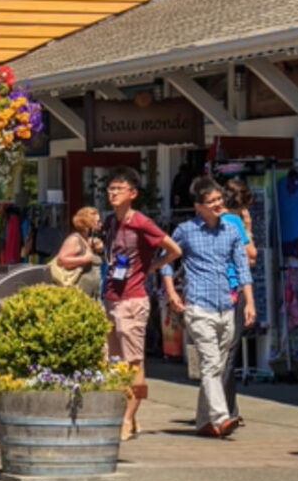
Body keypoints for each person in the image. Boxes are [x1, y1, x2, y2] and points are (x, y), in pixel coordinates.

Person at [163, 176, 255, 438]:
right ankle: (221, 416)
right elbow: (167, 261)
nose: (217, 204)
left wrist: (250, 302)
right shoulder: (185, 231)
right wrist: (171, 292)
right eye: (211, 201)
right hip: (199, 307)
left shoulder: (231, 230)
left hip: (227, 305)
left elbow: (242, 268)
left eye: (219, 199)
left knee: (219, 364)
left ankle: (204, 421)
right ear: (198, 206)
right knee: (211, 363)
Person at [102, 167, 182, 441]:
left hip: (133, 300)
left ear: (132, 194)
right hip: (110, 298)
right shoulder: (110, 222)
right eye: (110, 189)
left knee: (133, 362)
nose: (112, 193)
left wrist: (152, 267)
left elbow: (174, 249)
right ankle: (126, 415)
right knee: (112, 362)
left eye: (118, 189)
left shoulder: (141, 223)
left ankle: (127, 419)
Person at [221, 178, 258, 421]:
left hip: (211, 291)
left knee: (217, 351)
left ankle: (226, 407)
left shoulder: (205, 221)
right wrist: (248, 228)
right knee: (229, 351)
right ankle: (224, 408)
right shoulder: (233, 221)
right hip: (234, 289)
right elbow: (252, 256)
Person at [53, 206, 104, 300]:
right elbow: (61, 260)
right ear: (89, 223)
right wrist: (84, 259)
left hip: (93, 295)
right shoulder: (75, 239)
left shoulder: (90, 241)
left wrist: (101, 251)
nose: (101, 225)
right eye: (98, 222)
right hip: (78, 294)